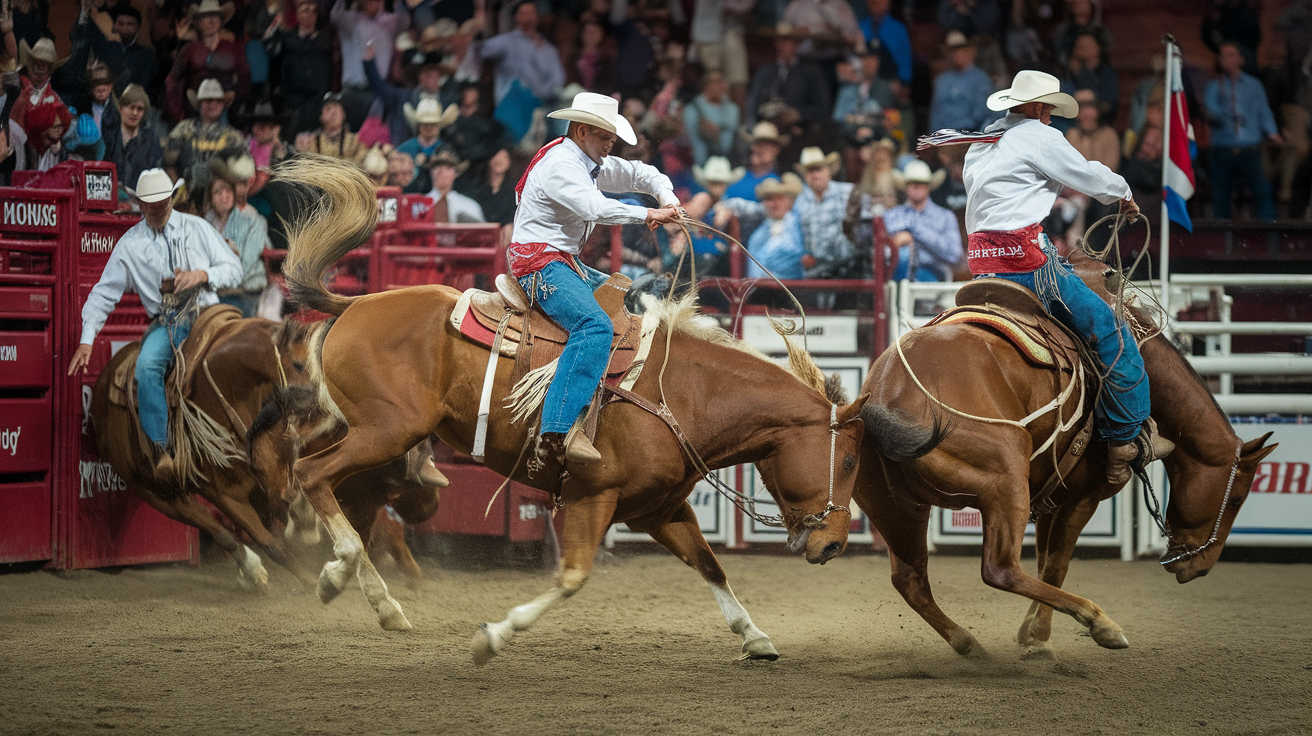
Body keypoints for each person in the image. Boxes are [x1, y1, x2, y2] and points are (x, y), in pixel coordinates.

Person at [922, 69, 1172, 485]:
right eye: (1050, 110)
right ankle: (1125, 437)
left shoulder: (985, 142)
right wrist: (1123, 194)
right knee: (1108, 328)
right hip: (1027, 262)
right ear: (1039, 108)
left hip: (982, 262)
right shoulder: (1039, 137)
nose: (1052, 118)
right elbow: (1089, 175)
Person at [509, 92, 681, 463]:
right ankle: (553, 431)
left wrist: (669, 200)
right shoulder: (561, 165)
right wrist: (648, 214)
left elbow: (643, 173)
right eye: (605, 137)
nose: (611, 144)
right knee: (594, 326)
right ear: (582, 131)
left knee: (631, 300)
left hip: (561, 260)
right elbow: (593, 207)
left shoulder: (589, 161)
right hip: (538, 263)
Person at [67, 168, 242, 485]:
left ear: (171, 199)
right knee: (147, 366)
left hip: (209, 312)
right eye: (151, 204)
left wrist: (202, 275)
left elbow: (234, 269)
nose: (158, 209)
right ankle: (161, 450)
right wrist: (87, 338)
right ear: (140, 205)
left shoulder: (197, 228)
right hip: (172, 321)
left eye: (163, 202)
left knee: (243, 353)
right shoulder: (131, 245)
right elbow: (104, 292)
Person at [1204, 41, 1281, 220]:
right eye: (1222, 55)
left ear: (1240, 59)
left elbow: (1264, 111)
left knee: (1262, 190)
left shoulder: (1254, 85)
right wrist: (1222, 109)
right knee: (1221, 196)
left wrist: (1272, 132)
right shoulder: (1214, 86)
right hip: (1223, 149)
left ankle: (1269, 235)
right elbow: (1211, 113)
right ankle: (1222, 239)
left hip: (1250, 149)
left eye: (1231, 55)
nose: (1226, 59)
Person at [164, 0, 250, 124]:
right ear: (198, 22)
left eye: (214, 16)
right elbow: (173, 80)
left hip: (226, 109)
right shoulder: (189, 49)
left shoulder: (233, 49)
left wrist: (235, 96)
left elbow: (244, 77)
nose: (210, 21)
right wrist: (177, 112)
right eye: (205, 17)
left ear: (220, 21)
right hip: (194, 108)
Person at [163, 78, 246, 203]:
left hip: (220, 203)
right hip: (186, 201)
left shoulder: (233, 136)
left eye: (218, 101)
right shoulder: (184, 129)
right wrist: (178, 190)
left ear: (223, 105)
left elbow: (243, 172)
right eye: (208, 100)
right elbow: (167, 163)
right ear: (200, 103)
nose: (213, 104)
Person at [205, 157, 269, 316]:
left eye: (227, 190)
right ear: (211, 197)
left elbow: (246, 264)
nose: (224, 196)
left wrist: (216, 277)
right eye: (218, 192)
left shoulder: (252, 220)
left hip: (245, 291)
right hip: (216, 291)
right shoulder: (207, 222)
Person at [331, 0, 408, 130]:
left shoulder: (390, 23)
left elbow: (405, 20)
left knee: (373, 137)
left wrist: (398, 3)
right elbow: (335, 16)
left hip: (378, 93)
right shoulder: (351, 21)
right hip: (352, 91)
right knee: (348, 137)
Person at [715, 173, 806, 279]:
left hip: (796, 289)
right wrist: (721, 208)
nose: (774, 204)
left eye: (780, 198)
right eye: (769, 199)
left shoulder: (802, 225)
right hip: (761, 290)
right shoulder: (759, 234)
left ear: (791, 201)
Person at [882, 159, 961, 281]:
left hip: (933, 275)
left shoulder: (945, 216)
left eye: (922, 183)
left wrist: (914, 230)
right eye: (913, 183)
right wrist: (895, 242)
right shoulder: (891, 215)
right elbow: (880, 252)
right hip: (896, 275)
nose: (917, 187)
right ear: (905, 186)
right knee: (903, 256)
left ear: (928, 186)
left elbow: (954, 254)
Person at [268, 0, 335, 138]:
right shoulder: (288, 39)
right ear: (297, 14)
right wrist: (276, 24)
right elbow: (269, 49)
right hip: (294, 102)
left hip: (318, 102)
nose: (311, 14)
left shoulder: (325, 39)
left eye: (314, 11)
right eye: (306, 10)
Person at [744, 23, 831, 126]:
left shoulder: (810, 72)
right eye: (779, 41)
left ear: (796, 44)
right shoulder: (766, 72)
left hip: (801, 129)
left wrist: (799, 114)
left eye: (787, 41)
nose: (782, 45)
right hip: (769, 128)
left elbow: (822, 107)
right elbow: (754, 105)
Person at [793, 146, 859, 279]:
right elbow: (796, 236)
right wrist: (802, 255)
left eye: (819, 169)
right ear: (805, 175)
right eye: (810, 170)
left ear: (828, 171)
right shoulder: (798, 202)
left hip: (847, 267)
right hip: (814, 270)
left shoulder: (847, 193)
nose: (815, 175)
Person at [102, 85, 162, 205]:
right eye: (131, 107)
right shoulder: (108, 137)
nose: (135, 113)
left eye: (139, 109)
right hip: (109, 203)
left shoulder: (150, 141)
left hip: (140, 205)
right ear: (121, 108)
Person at [928, 31, 995, 134]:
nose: (955, 54)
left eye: (959, 50)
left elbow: (981, 114)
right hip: (941, 137)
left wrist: (958, 131)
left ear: (968, 51)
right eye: (952, 51)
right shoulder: (941, 80)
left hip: (968, 135)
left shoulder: (980, 79)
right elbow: (935, 112)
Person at [683, 70, 739, 167]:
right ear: (705, 85)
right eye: (714, 82)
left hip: (727, 163)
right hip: (699, 164)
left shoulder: (733, 109)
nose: (718, 85)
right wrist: (703, 129)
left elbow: (733, 134)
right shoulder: (692, 109)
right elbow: (687, 139)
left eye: (720, 81)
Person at [295, 93, 366, 164]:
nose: (333, 112)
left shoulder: (356, 140)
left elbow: (361, 160)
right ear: (321, 116)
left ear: (343, 114)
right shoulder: (311, 142)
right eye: (328, 109)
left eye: (337, 108)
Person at [425, 149, 484, 222]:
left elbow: (482, 232)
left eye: (448, 167)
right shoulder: (419, 206)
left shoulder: (470, 207)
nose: (441, 171)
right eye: (437, 166)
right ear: (431, 172)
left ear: (455, 173)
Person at [397, 98, 457, 167]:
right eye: (425, 125)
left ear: (439, 126)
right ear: (419, 126)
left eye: (433, 125)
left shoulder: (447, 150)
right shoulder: (405, 149)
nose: (429, 128)